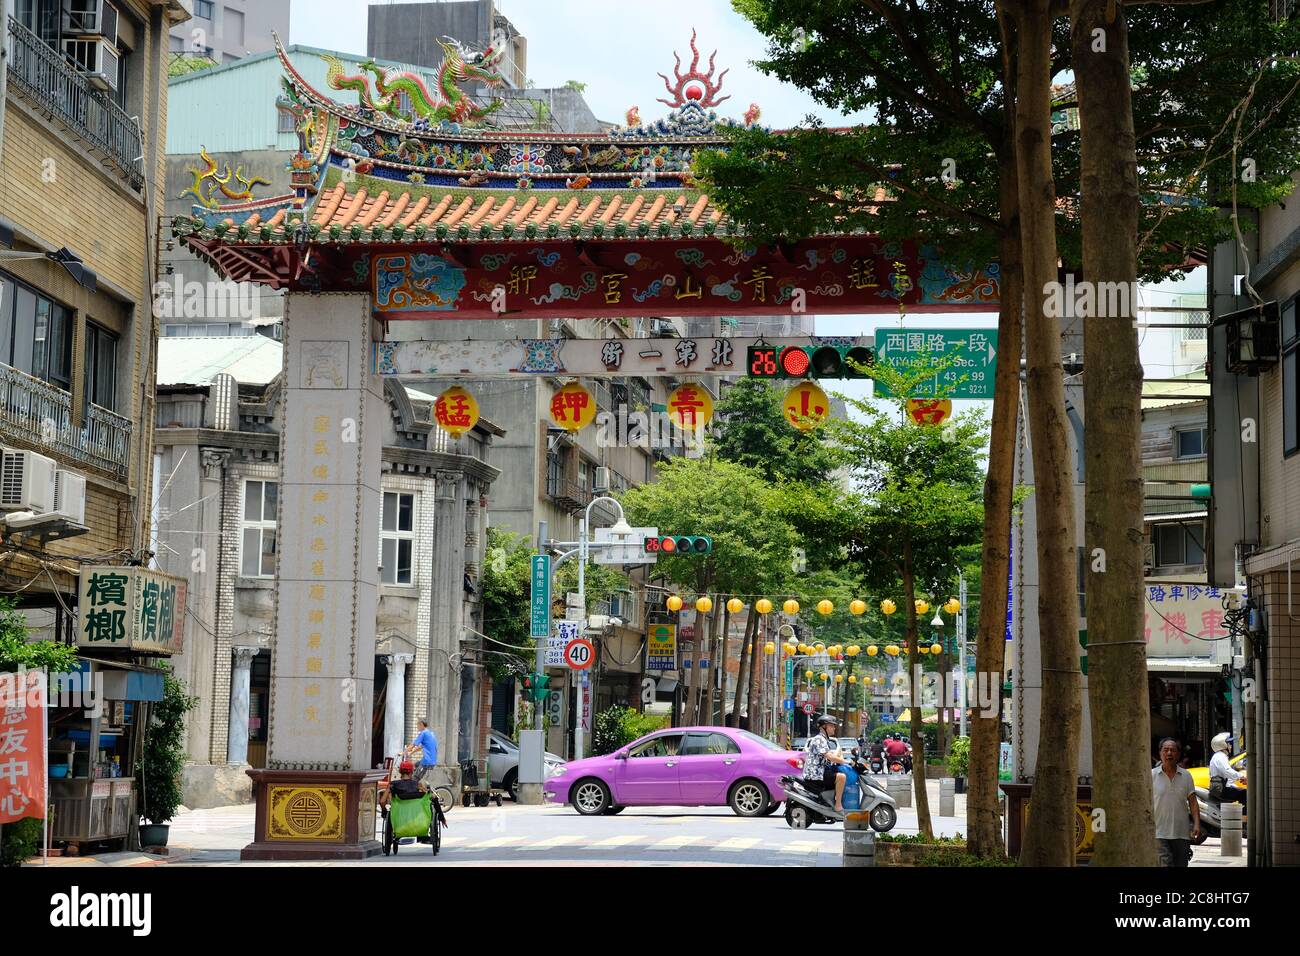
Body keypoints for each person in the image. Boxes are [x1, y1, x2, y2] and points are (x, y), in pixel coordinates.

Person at [1152, 737, 1199, 867]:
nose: (1169, 753)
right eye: (1165, 750)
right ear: (1160, 753)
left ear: (1178, 754)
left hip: (1181, 833)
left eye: (1173, 750)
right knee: (1165, 864)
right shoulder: (1151, 776)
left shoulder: (1186, 775)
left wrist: (1196, 824)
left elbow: (1193, 802)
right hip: (1159, 832)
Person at [803, 714, 851, 812]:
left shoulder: (824, 739)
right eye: (831, 725)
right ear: (824, 726)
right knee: (841, 777)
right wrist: (846, 761)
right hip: (816, 774)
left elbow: (829, 757)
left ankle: (831, 801)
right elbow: (829, 756)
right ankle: (838, 806)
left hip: (820, 771)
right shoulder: (819, 739)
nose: (834, 728)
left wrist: (839, 758)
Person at [1208, 732, 1247, 805]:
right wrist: (1241, 776)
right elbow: (1227, 771)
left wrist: (1238, 781)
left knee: (1242, 792)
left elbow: (1227, 776)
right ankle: (1245, 815)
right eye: (1229, 744)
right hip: (1222, 790)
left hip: (1221, 787)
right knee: (1245, 794)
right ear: (1223, 745)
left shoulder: (1220, 756)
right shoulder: (1220, 756)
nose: (1231, 746)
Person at [407, 718, 438, 785]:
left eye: (417, 725)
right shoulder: (430, 733)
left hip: (427, 761)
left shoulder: (423, 733)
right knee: (414, 766)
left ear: (421, 725)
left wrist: (403, 752)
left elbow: (413, 745)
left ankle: (415, 789)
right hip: (431, 760)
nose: (417, 727)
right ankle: (419, 785)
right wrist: (411, 753)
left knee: (415, 778)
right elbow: (420, 747)